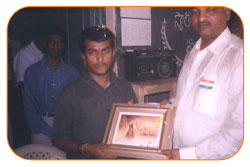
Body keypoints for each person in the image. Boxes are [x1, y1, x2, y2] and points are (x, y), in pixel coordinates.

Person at [160, 7, 243, 159]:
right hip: (178, 153)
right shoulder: (192, 53)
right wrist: (171, 106)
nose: (200, 18)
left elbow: (240, 130)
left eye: (210, 10)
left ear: (227, 12)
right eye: (194, 12)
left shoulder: (240, 57)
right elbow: (192, 100)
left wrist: (191, 155)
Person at [52, 25, 138, 159]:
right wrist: (86, 149)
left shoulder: (125, 86)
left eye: (105, 51)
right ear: (83, 56)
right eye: (92, 52)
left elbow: (136, 129)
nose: (100, 58)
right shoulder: (69, 92)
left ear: (113, 53)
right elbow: (58, 139)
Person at [23, 25, 79, 145]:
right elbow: (29, 109)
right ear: (45, 44)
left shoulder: (72, 71)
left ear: (64, 46)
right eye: (52, 42)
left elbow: (77, 103)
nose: (56, 45)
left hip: (66, 126)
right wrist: (48, 130)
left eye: (60, 43)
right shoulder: (32, 72)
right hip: (41, 127)